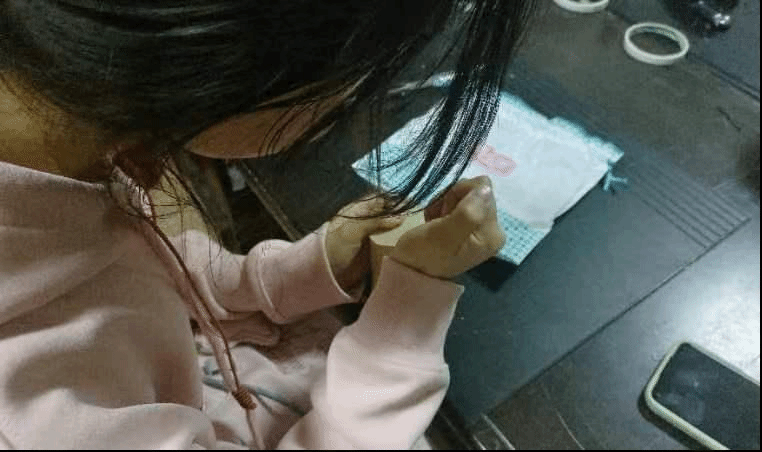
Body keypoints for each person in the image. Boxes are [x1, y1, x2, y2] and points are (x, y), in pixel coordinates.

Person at [0, 1, 534, 448]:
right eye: (362, 69)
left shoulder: (57, 131)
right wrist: (402, 325)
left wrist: (299, 271)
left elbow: (139, 277)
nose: (354, 94)